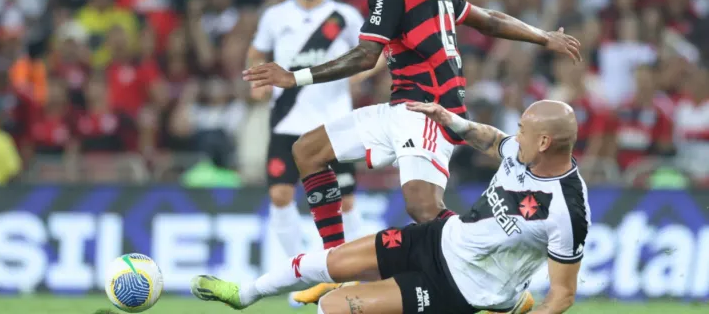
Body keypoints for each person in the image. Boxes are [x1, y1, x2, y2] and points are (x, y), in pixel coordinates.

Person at [243, 0, 582, 301]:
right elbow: (486, 19)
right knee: (308, 150)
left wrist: (295, 76)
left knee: (424, 210)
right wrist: (542, 36)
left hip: (429, 110)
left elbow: (365, 56)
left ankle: (492, 279)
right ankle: (336, 269)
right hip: (400, 107)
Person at [191, 100, 591, 314]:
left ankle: (505, 303)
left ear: (544, 143)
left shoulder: (566, 209)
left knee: (331, 308)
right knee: (331, 264)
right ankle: (244, 294)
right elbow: (491, 140)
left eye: (523, 129)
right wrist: (449, 119)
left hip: (459, 288)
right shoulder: (522, 155)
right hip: (440, 238)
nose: (515, 135)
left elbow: (561, 296)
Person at [247, 0, 383, 264]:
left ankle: (354, 272)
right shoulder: (275, 16)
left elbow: (377, 53)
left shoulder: (345, 17)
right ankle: (301, 272)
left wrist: (359, 76)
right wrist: (257, 81)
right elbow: (256, 52)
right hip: (286, 120)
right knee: (280, 195)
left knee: (345, 201)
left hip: (333, 124)